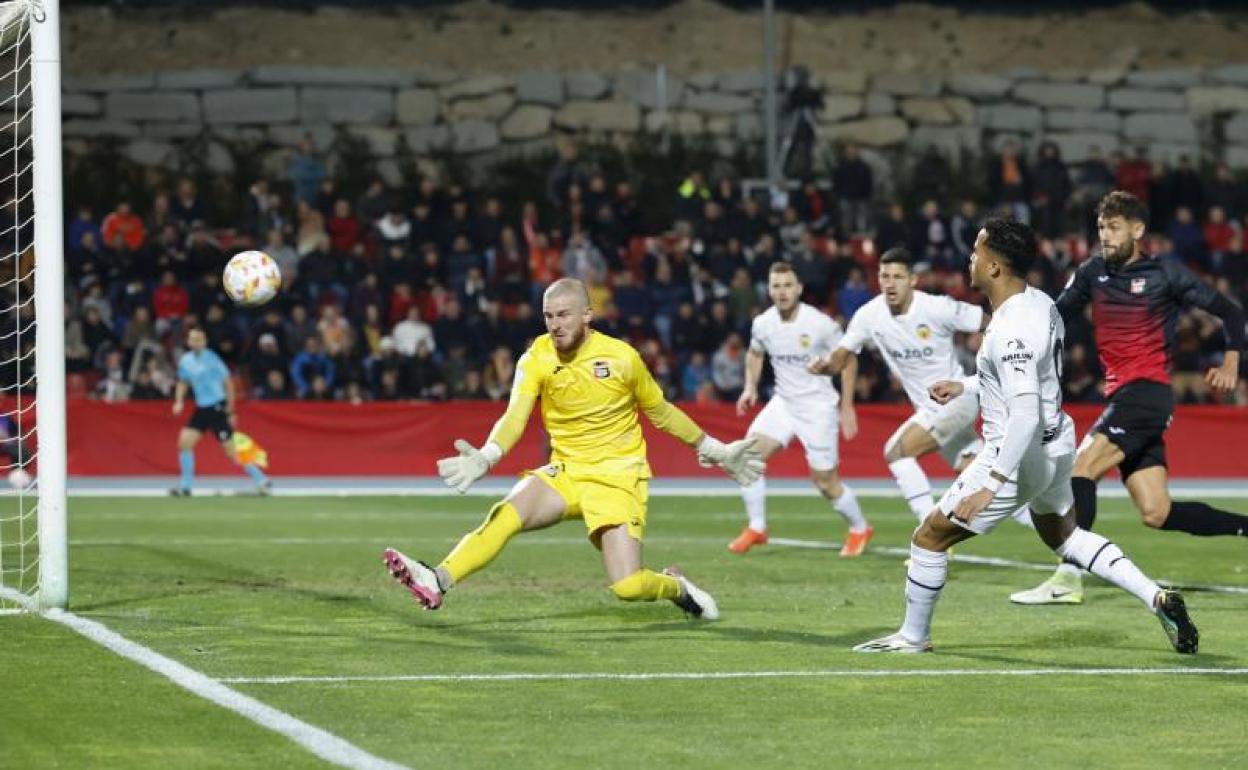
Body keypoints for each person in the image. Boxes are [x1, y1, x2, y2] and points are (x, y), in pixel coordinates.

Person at [853, 218, 1197, 655]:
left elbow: (1023, 411)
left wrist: (991, 483)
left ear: (995, 266)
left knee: (929, 537)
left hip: (1021, 453)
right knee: (1066, 537)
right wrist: (969, 385)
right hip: (1058, 446)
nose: (971, 259)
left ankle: (913, 637)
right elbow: (1030, 380)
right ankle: (1156, 597)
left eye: (977, 251)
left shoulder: (1012, 327)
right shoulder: (1039, 303)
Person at [382, 278, 763, 619]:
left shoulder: (622, 357)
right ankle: (437, 578)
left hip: (618, 477)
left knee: (628, 587)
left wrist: (716, 448)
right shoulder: (535, 358)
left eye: (564, 314)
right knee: (506, 514)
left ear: (587, 315)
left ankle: (677, 586)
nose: (555, 324)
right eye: (548, 315)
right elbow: (515, 416)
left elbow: (661, 412)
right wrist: (488, 455)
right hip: (567, 471)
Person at [1011, 190, 1247, 605]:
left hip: (1146, 394)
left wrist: (1230, 365)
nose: (1105, 235)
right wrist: (1015, 330)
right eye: (1101, 227)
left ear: (1137, 230)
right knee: (1157, 512)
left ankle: (1068, 577)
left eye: (1114, 227)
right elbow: (1055, 314)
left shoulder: (1166, 274)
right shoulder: (1091, 273)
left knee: (1080, 469)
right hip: (1127, 398)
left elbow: (1230, 311)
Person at [810, 247, 996, 523]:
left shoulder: (937, 307)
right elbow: (843, 354)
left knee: (897, 452)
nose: (889, 283)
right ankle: (1062, 540)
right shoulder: (869, 315)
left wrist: (1000, 354)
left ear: (912, 280)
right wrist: (827, 366)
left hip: (955, 400)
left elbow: (988, 322)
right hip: (931, 408)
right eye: (884, 276)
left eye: (897, 276)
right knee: (978, 477)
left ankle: (926, 529)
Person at [726, 261, 871, 558]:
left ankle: (859, 527)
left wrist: (847, 406)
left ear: (799, 289)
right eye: (776, 286)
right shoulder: (763, 323)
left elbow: (849, 360)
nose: (782, 292)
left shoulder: (820, 324)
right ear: (768, 290)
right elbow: (755, 354)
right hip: (784, 403)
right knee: (745, 458)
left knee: (825, 483)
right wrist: (750, 387)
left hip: (818, 408)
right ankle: (757, 527)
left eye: (787, 285)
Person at [171, 328, 271, 496]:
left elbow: (228, 384)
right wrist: (179, 401)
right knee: (184, 444)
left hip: (217, 407)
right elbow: (183, 382)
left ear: (204, 342)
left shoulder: (212, 359)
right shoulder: (185, 361)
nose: (195, 343)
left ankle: (262, 480)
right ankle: (185, 486)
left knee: (231, 450)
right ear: (188, 342)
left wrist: (231, 411)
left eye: (199, 340)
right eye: (192, 340)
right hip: (202, 409)